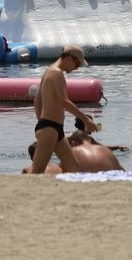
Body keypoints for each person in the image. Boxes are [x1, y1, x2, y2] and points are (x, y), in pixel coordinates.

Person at [26, 45, 98, 175]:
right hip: (50, 128)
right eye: (77, 64)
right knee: (37, 171)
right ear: (69, 59)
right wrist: (86, 120)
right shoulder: (57, 73)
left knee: (74, 168)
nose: (77, 68)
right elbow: (64, 101)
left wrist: (40, 122)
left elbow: (37, 100)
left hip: (54, 128)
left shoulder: (49, 71)